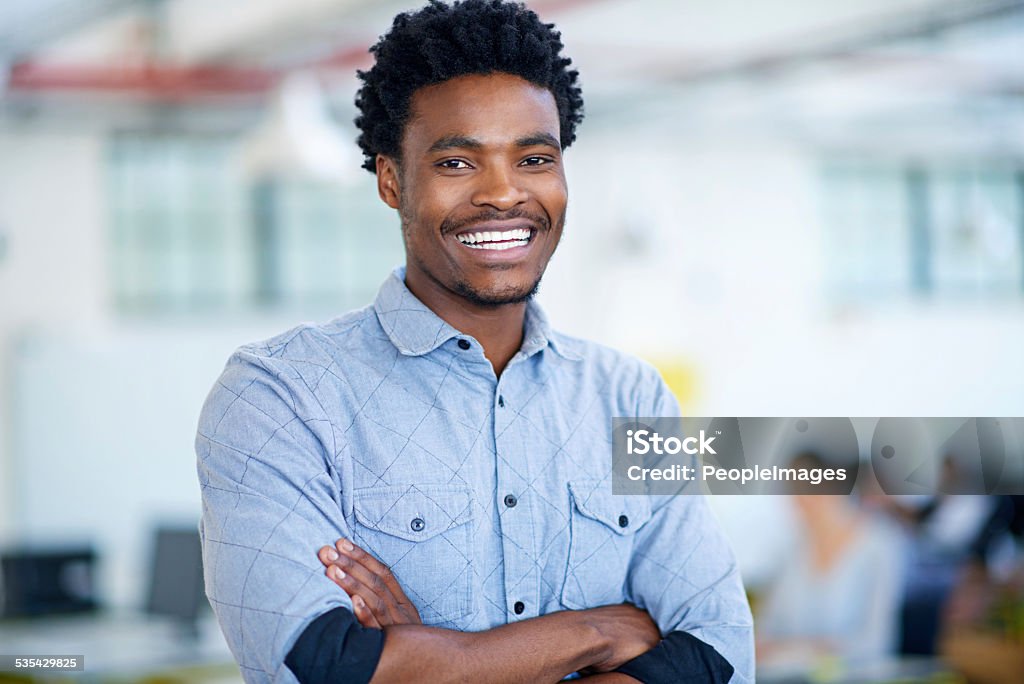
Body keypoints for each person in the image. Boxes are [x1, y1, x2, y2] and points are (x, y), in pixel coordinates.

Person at [195, 1, 753, 682]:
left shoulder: (629, 396)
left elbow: (718, 651)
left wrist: (446, 661)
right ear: (392, 180)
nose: (503, 193)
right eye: (458, 162)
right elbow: (330, 666)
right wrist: (596, 630)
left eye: (535, 158)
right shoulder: (280, 398)